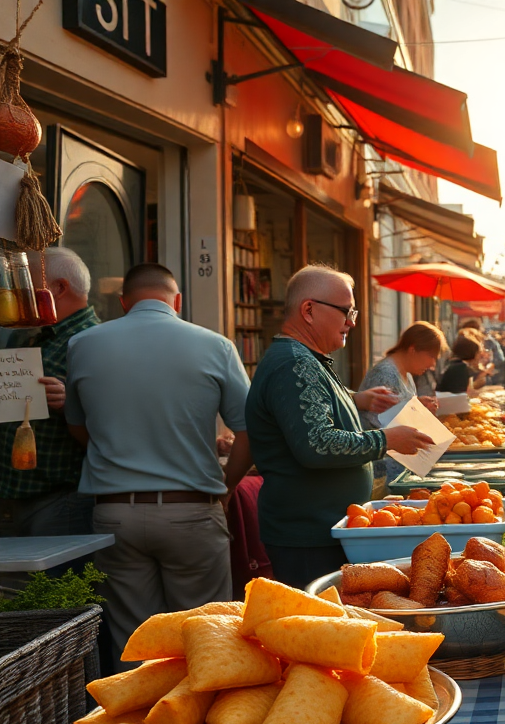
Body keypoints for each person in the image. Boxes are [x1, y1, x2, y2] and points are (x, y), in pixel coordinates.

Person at [65, 264, 253, 666]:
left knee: (135, 645)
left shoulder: (82, 344)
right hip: (191, 510)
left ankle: (138, 706)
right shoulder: (216, 345)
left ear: (123, 303)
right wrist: (227, 486)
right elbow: (250, 432)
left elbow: (78, 427)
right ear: (177, 301)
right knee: (206, 640)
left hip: (115, 514)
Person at [246, 266, 434, 588]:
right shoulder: (294, 362)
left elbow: (311, 405)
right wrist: (385, 440)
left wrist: (355, 398)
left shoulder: (305, 358)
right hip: (309, 537)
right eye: (346, 312)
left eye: (353, 312)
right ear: (309, 310)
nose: (352, 322)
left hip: (324, 531)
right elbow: (318, 444)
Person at [0, 248, 100, 539]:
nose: (17, 294)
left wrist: (70, 403)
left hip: (61, 498)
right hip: (12, 494)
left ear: (58, 288)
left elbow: (117, 425)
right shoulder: (25, 334)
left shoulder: (96, 341)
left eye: (26, 283)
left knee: (59, 570)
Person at [358, 322, 444, 478]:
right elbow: (380, 426)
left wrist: (419, 407)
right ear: (413, 349)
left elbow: (398, 413)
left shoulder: (407, 374)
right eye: (431, 356)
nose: (432, 364)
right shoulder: (385, 375)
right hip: (382, 474)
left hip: (400, 469)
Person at [460, 317, 505, 386]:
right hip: (474, 381)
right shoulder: (464, 347)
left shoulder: (489, 342)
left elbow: (499, 359)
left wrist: (489, 366)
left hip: (487, 379)